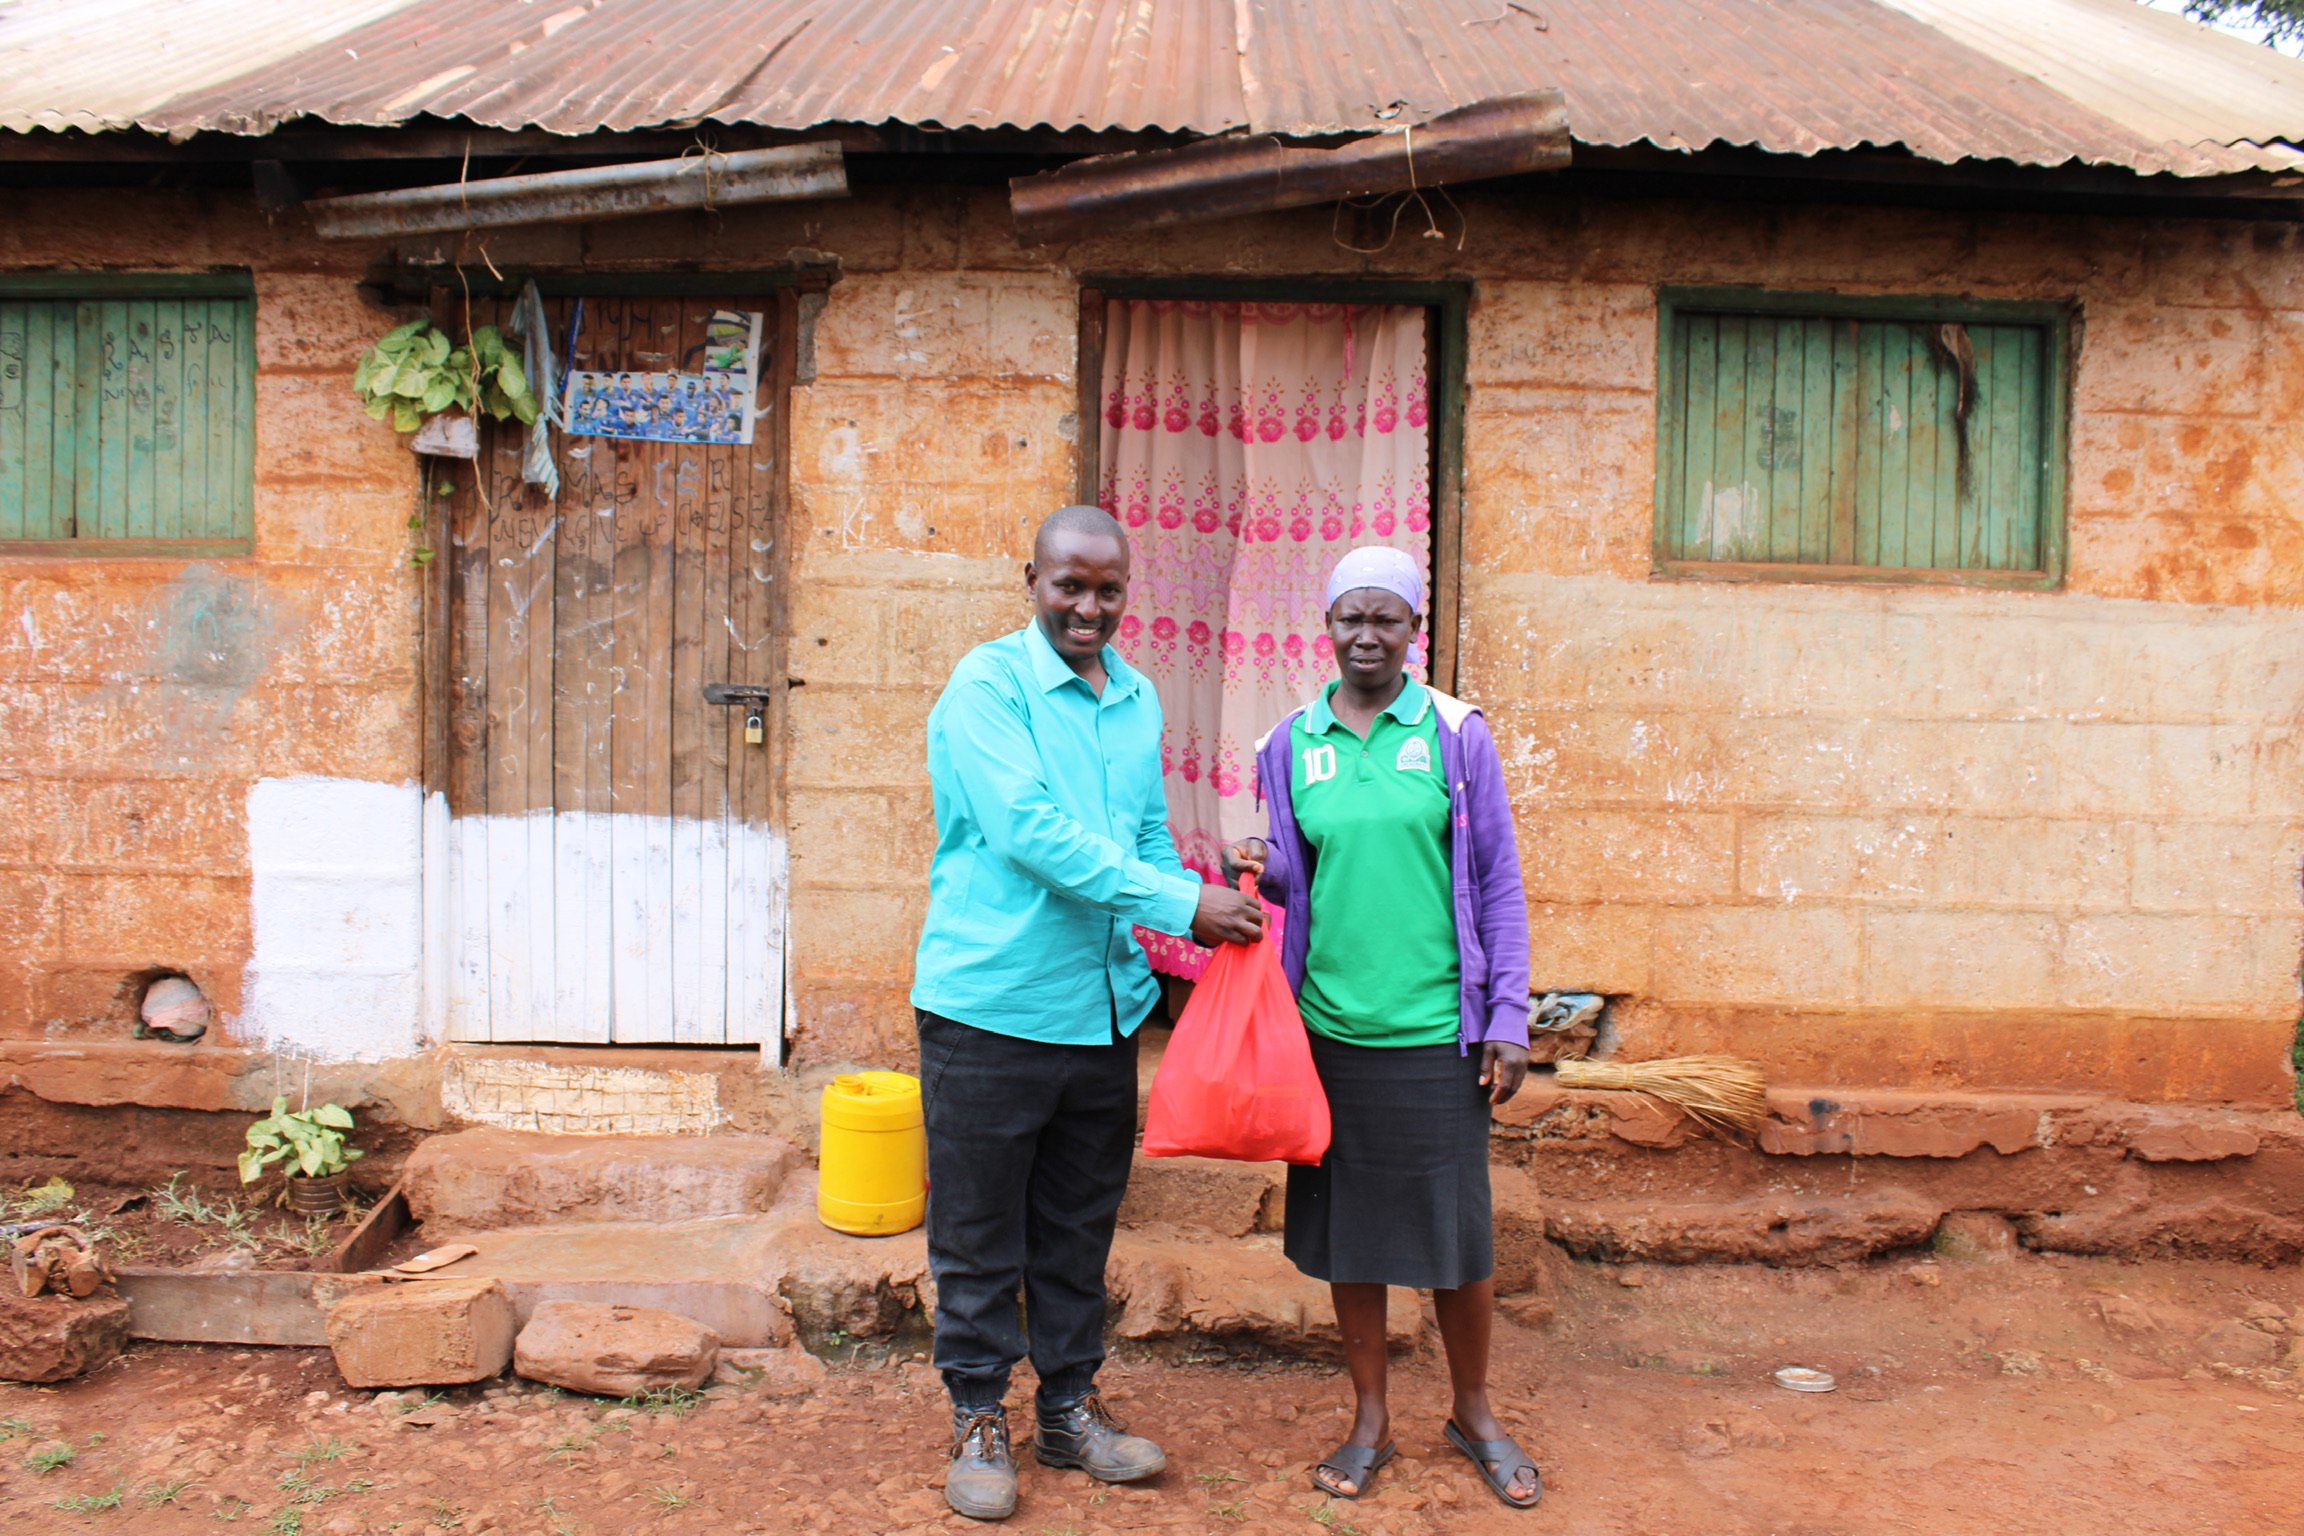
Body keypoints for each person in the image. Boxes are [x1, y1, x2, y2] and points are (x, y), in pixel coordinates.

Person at [913, 504, 1268, 1522]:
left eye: (1107, 589)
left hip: (1103, 1013)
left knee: (1075, 1230)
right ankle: (979, 1413)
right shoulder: (990, 687)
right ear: (1032, 579)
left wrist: (1210, 908)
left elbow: (1147, 836)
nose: (1088, 605)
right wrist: (1173, 903)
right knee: (980, 1232)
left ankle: (1068, 1408)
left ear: (1126, 593)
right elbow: (1031, 834)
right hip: (991, 1006)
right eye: (1070, 584)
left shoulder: (1139, 698)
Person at [1222, 544, 1541, 1511]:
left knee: (1458, 1239)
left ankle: (1475, 1411)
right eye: (1350, 617)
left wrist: (1508, 1016)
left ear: (1414, 628)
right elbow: (1308, 880)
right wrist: (1260, 862)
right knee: (1350, 1238)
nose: (1367, 634)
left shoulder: (1454, 734)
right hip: (1329, 1033)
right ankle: (1370, 1419)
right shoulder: (1291, 743)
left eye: (1386, 618)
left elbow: (1496, 881)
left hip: (1438, 1030)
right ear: (1328, 626)